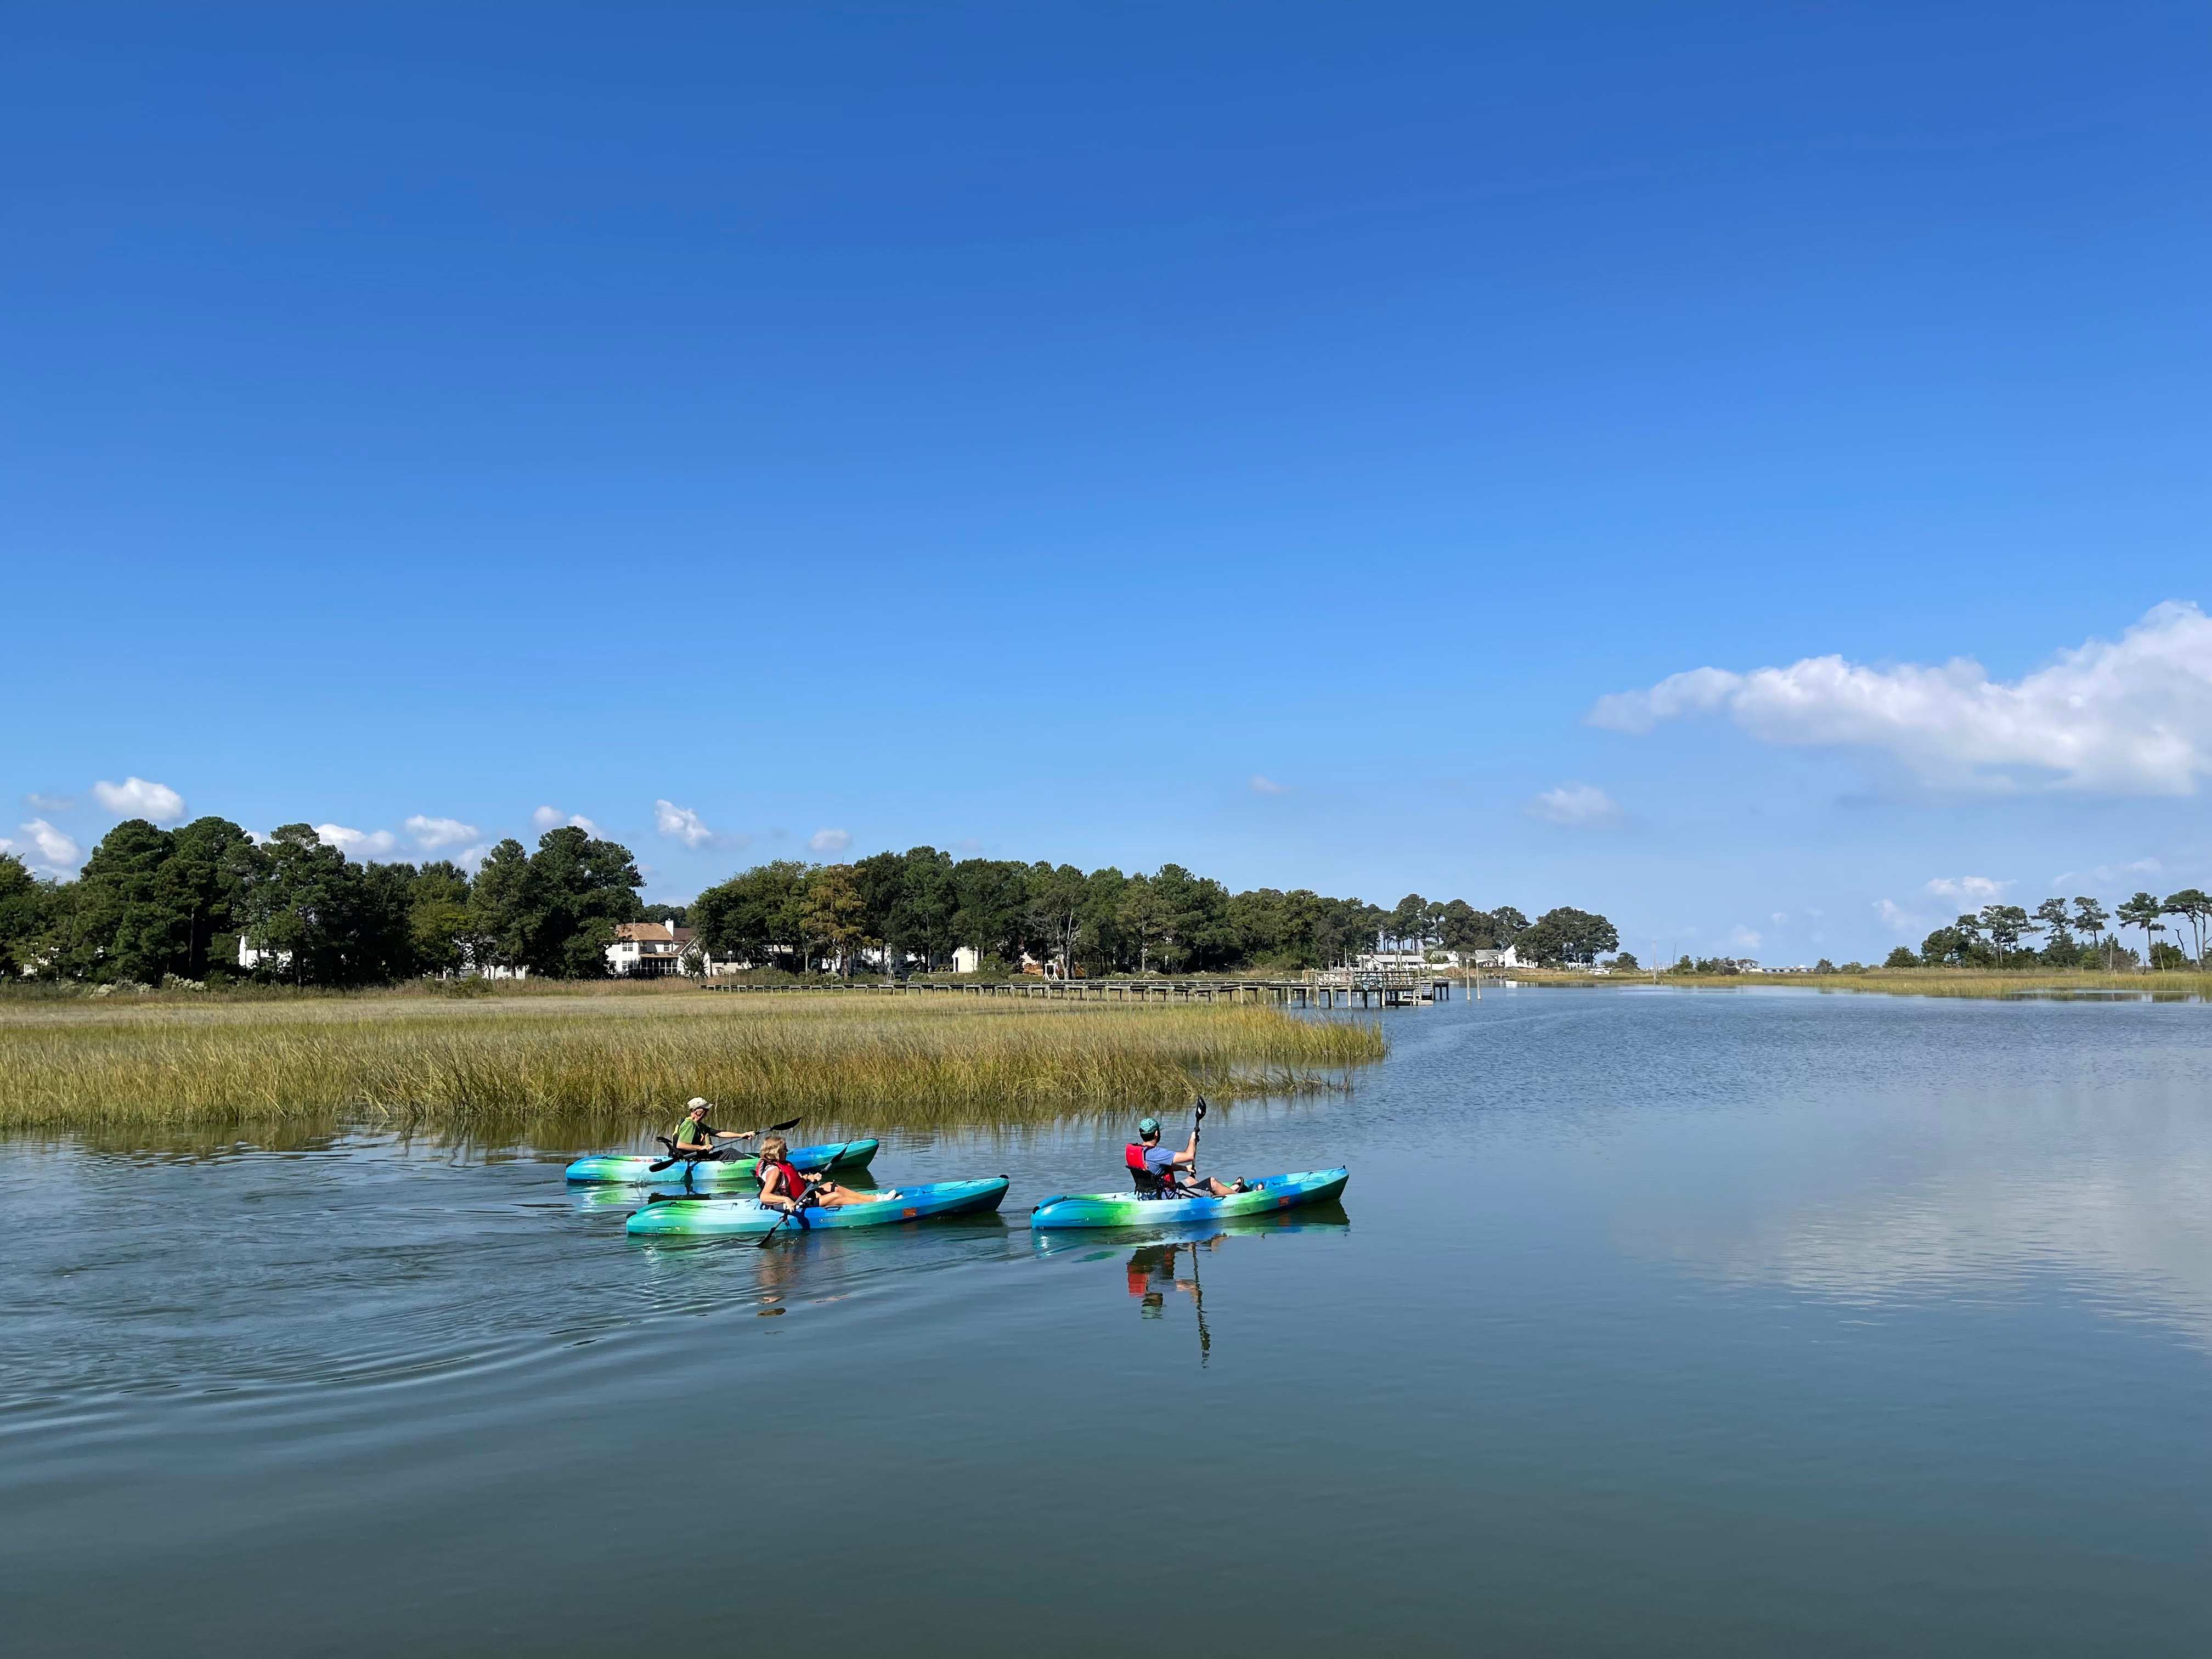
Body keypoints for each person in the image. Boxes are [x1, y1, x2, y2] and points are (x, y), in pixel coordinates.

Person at [754, 1134, 892, 1211]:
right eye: (785, 1149)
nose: (787, 1151)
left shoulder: (781, 1164)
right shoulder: (775, 1171)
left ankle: (874, 1199)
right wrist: (786, 1200)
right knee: (836, 1196)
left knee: (832, 1186)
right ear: (777, 1152)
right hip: (796, 1204)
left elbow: (791, 1182)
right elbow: (764, 1196)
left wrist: (809, 1177)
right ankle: (875, 1205)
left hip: (801, 1197)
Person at [1125, 1116, 1249, 1198]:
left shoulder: (1141, 1152)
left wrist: (1183, 1168)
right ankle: (1238, 1198)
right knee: (1212, 1183)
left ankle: (1225, 1192)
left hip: (1149, 1195)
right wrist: (1192, 1139)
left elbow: (1157, 1170)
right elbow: (1190, 1156)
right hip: (1167, 1197)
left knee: (1191, 1180)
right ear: (1157, 1133)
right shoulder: (1157, 1153)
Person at [668, 1098, 757, 1160]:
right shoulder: (690, 1124)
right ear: (695, 1110)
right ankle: (756, 1165)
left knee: (730, 1151)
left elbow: (720, 1133)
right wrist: (702, 1147)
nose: (707, 1111)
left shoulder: (699, 1125)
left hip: (697, 1157)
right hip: (690, 1160)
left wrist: (741, 1135)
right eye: (704, 1109)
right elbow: (681, 1145)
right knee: (730, 1152)